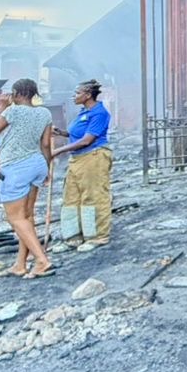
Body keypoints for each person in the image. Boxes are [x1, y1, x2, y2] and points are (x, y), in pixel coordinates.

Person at [0, 78, 55, 278]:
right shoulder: (45, 112)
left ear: (17, 93)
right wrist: (47, 169)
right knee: (27, 217)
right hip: (37, 164)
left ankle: (41, 261)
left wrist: (1, 107)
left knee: (16, 218)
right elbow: (46, 145)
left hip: (16, 167)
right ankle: (20, 264)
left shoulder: (12, 111)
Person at [51, 79, 113, 248]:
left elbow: (87, 140)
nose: (74, 96)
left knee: (93, 197)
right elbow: (77, 135)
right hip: (77, 159)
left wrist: (57, 151)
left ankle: (97, 236)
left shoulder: (99, 113)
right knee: (71, 198)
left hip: (93, 157)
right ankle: (73, 237)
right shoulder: (83, 112)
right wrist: (61, 133)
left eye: (77, 93)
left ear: (87, 95)